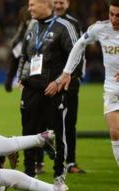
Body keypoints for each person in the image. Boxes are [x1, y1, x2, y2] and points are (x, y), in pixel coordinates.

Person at [18, 0, 79, 180]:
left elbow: (76, 57)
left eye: (32, 4)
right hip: (31, 89)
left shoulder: (64, 26)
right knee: (28, 130)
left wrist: (59, 81)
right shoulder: (31, 27)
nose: (29, 8)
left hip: (53, 90)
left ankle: (59, 172)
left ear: (46, 4)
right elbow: (24, 55)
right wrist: (21, 80)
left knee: (58, 132)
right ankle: (30, 172)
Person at [57, 0, 119, 168]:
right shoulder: (100, 28)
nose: (114, 19)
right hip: (112, 89)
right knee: (115, 132)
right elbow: (79, 45)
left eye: (118, 16)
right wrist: (67, 72)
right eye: (111, 14)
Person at [53, 0, 86, 174]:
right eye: (55, 2)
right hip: (49, 82)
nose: (58, 5)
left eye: (61, 2)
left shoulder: (73, 24)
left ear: (68, 3)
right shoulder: (44, 23)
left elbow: (79, 51)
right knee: (43, 122)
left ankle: (70, 161)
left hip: (69, 82)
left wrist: (75, 76)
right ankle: (40, 162)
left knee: (69, 122)